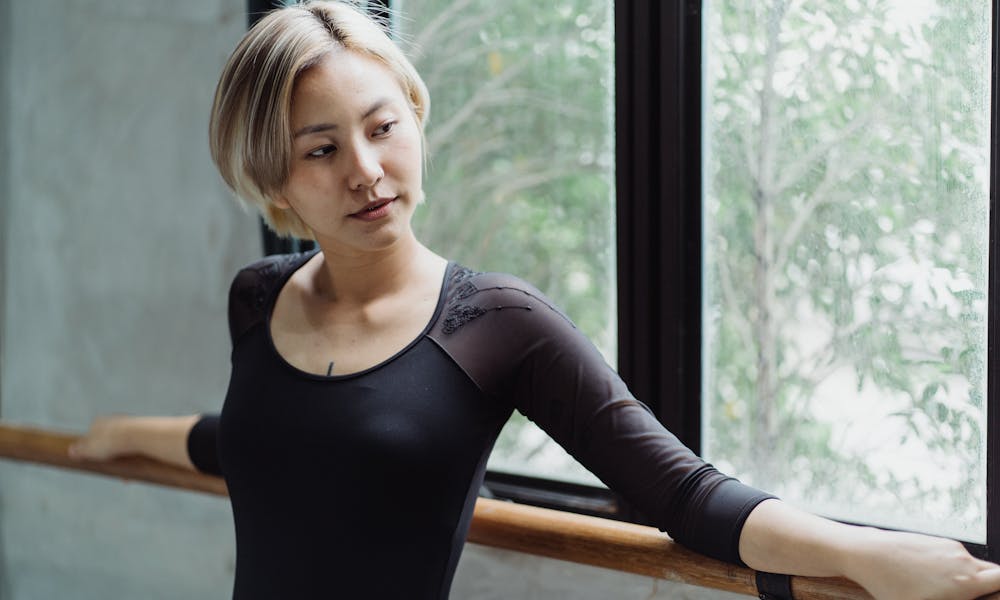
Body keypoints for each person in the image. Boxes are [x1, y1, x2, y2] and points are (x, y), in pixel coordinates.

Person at [68, 2, 1000, 599]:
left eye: (384, 127)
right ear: (275, 186)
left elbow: (681, 490)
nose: (367, 169)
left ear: (416, 123)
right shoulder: (256, 298)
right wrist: (124, 431)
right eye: (321, 150)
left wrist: (871, 554)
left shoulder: (494, 324)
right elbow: (264, 438)